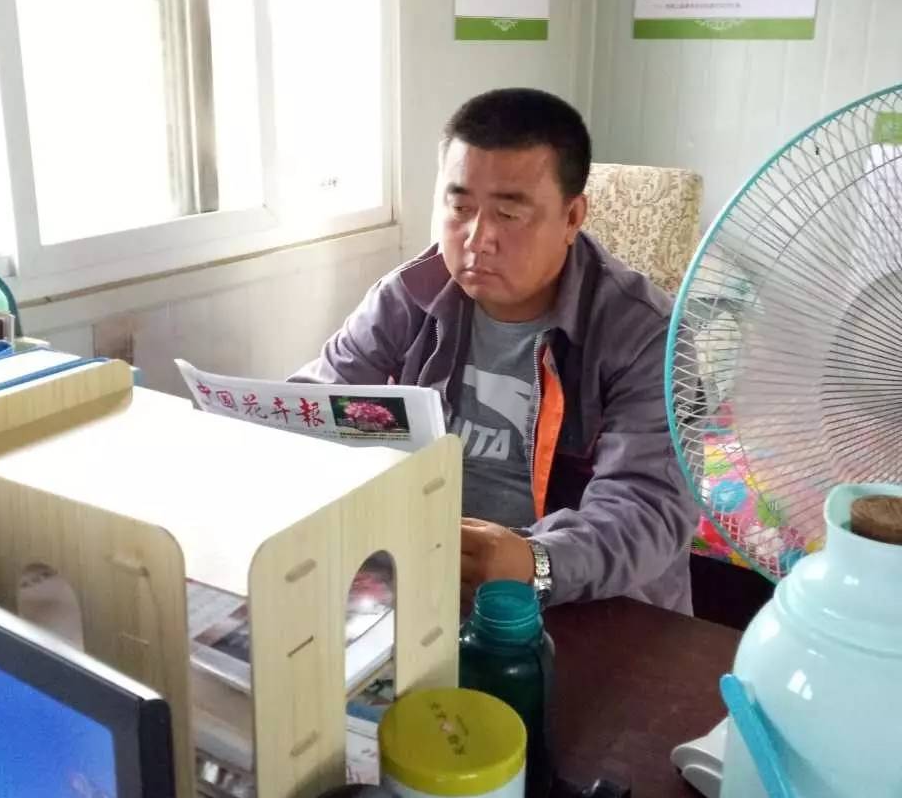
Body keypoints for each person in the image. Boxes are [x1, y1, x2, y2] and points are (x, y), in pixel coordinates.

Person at [292, 88, 696, 613]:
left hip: (584, 601)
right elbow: (319, 400)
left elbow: (645, 510)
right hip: (422, 572)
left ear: (572, 217)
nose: (477, 238)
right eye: (460, 208)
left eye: (508, 214)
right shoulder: (410, 294)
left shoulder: (646, 334)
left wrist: (534, 562)